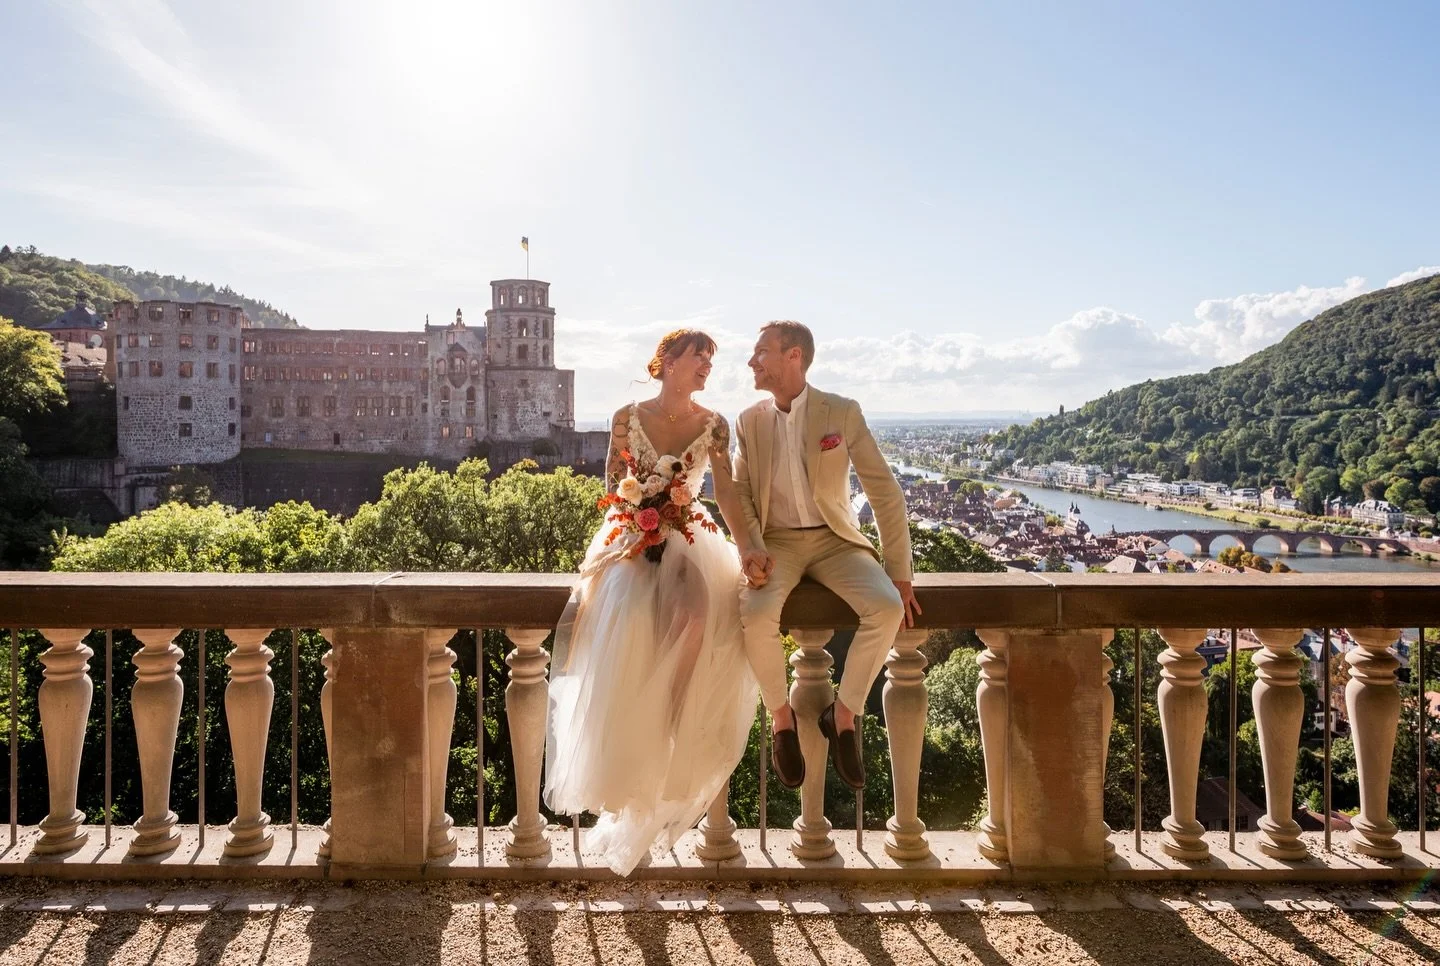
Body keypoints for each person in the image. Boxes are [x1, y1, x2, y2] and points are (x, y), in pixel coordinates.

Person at [545, 329, 758, 875]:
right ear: (667, 361)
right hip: (634, 536)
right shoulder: (625, 418)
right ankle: (637, 768)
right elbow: (615, 487)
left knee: (694, 615)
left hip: (690, 538)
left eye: (712, 358)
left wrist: (750, 545)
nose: (708, 365)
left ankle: (676, 724)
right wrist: (637, 527)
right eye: (699, 356)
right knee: (633, 626)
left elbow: (727, 492)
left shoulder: (714, 424)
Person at [732, 320, 920, 790]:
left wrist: (900, 571)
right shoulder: (747, 421)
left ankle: (844, 715)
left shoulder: (842, 412)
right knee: (755, 614)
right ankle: (781, 720)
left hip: (836, 540)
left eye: (761, 352)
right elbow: (739, 496)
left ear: (793, 356)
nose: (752, 362)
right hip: (777, 543)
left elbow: (885, 493)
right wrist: (752, 549)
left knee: (888, 607)